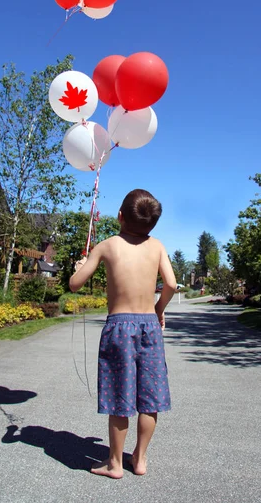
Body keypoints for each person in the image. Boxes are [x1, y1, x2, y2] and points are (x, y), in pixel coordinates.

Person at [69, 188, 176, 479]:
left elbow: (75, 284)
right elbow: (171, 283)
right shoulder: (157, 247)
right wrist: (159, 308)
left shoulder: (106, 245)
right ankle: (139, 459)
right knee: (149, 397)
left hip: (119, 327)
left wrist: (78, 267)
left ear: (119, 216)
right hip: (149, 326)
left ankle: (115, 462)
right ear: (152, 224)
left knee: (120, 395)